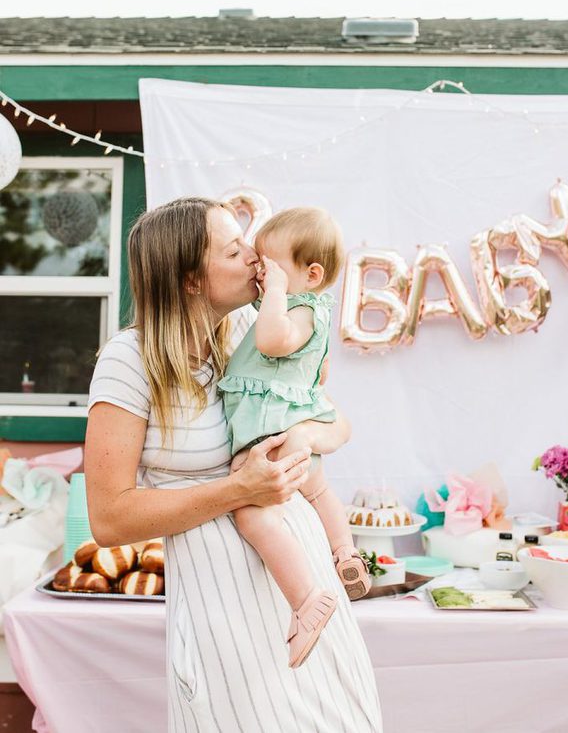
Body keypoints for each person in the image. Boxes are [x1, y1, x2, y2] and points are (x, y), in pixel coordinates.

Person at [84, 195, 383, 733]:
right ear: (193, 280)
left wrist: (303, 435)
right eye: (234, 249)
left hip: (304, 580)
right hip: (222, 604)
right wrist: (239, 490)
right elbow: (109, 519)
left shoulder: (256, 331)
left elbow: (335, 423)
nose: (254, 255)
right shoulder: (128, 361)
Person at [218, 207, 371, 669]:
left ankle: (306, 599)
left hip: (269, 434)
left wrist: (278, 294)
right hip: (293, 428)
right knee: (320, 491)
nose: (260, 271)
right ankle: (345, 552)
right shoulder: (316, 312)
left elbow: (271, 343)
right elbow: (319, 373)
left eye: (270, 263)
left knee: (250, 515)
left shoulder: (298, 308)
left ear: (312, 273)